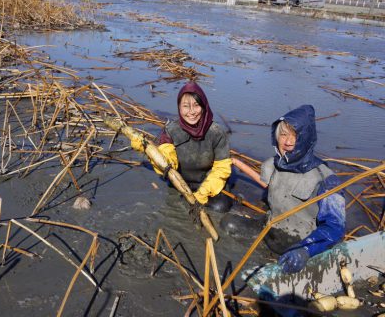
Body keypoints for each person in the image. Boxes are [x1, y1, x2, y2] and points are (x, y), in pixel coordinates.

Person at [257, 105, 346, 274]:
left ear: (307, 139)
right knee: (229, 224)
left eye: (296, 136)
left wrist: (306, 250)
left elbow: (335, 228)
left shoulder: (327, 179)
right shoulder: (271, 165)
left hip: (299, 246)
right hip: (270, 235)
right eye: (283, 134)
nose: (288, 142)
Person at [131, 81, 233, 213]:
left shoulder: (216, 132)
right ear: (179, 107)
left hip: (209, 183)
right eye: (186, 106)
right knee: (176, 208)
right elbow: (167, 163)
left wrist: (203, 192)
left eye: (196, 105)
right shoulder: (171, 131)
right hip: (181, 183)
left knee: (220, 207)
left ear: (204, 106)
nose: (191, 112)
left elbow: (221, 169)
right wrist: (147, 149)